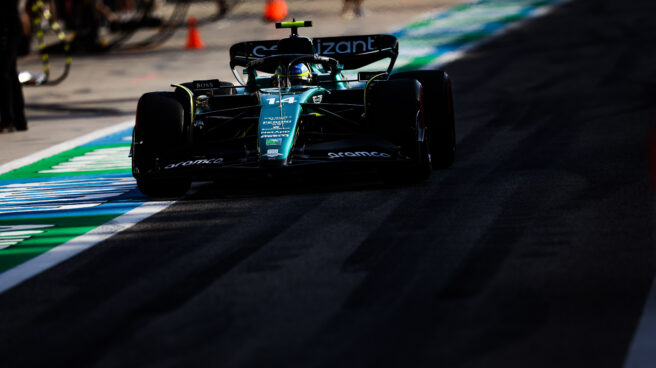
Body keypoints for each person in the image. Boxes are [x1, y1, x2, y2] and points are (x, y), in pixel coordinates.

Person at [0, 0, 28, 133]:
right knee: (9, 72)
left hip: (9, 29)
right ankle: (18, 120)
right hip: (9, 28)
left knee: (4, 73)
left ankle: (8, 120)